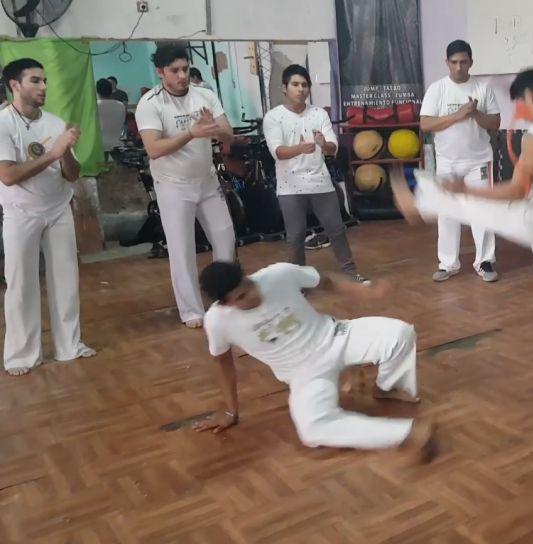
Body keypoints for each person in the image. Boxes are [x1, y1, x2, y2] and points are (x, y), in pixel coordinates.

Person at [392, 69, 533, 397]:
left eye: (522, 105)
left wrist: (465, 190)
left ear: (530, 94)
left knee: (474, 207)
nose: (524, 114)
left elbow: (517, 190)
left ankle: (423, 201)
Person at [193, 261, 437, 463]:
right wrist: (229, 411)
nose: (254, 294)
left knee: (400, 333)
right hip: (304, 373)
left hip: (335, 336)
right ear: (226, 303)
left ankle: (390, 387)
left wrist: (368, 291)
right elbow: (223, 363)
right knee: (312, 430)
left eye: (249, 285)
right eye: (243, 296)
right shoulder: (217, 321)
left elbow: (325, 281)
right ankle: (406, 433)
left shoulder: (278, 274)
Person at [0, 58, 96, 376]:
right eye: (35, 81)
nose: (44, 87)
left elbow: (71, 174)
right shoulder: (3, 124)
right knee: (21, 284)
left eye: (44, 81)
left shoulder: (55, 123)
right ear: (15, 85)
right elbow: (9, 175)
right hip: (20, 213)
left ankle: (70, 345)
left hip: (57, 210)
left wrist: (66, 150)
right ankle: (22, 355)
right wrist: (53, 153)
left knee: (66, 279)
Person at [135, 43, 237, 328]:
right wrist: (191, 132)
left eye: (185, 69)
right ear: (160, 72)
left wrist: (214, 129)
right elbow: (154, 149)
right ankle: (191, 310)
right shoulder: (150, 104)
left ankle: (226, 298)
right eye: (174, 71)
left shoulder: (204, 94)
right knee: (181, 249)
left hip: (206, 180)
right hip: (173, 186)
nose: (182, 76)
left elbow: (227, 133)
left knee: (225, 239)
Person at [262, 64, 369, 283]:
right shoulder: (274, 117)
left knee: (336, 229)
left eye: (304, 85)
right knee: (296, 235)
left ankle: (350, 272)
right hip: (289, 185)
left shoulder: (318, 113)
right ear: (285, 88)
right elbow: (278, 152)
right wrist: (301, 148)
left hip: (320, 182)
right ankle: (297, 281)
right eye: (295, 84)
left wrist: (324, 145)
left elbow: (332, 147)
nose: (300, 89)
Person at [419, 40, 501, 283]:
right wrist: (458, 115)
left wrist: (475, 113)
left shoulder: (483, 88)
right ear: (446, 63)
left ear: (471, 62)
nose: (458, 67)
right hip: (447, 162)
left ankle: (484, 261)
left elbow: (495, 123)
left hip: (478, 161)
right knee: (447, 213)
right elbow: (425, 124)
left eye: (463, 62)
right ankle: (448, 263)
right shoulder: (437, 89)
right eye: (453, 62)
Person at [96, 78, 126, 153]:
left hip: (100, 147)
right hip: (117, 146)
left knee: (102, 165)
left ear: (97, 91)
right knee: (114, 164)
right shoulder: (120, 105)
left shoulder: (95, 106)